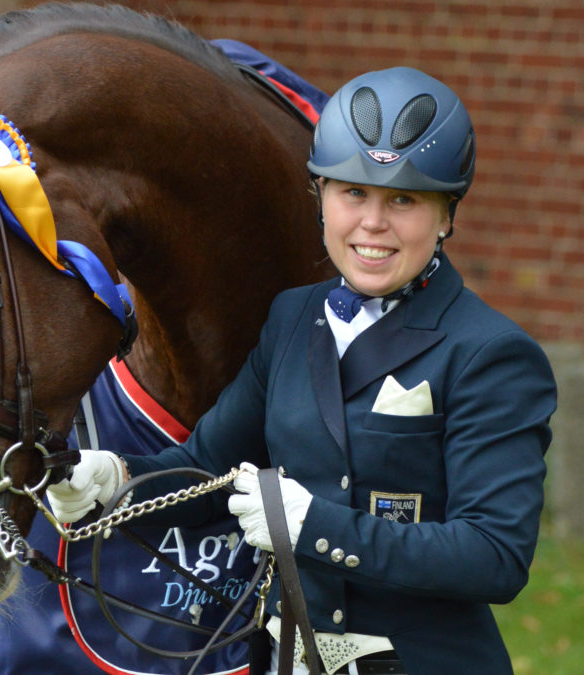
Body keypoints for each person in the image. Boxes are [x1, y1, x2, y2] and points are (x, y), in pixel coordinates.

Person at [48, 66, 557, 675]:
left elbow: (493, 555)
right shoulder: (293, 317)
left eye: (404, 199)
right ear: (320, 198)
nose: (372, 223)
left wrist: (313, 525)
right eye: (353, 193)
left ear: (447, 215)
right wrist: (114, 480)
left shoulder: (492, 352)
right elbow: (207, 469)